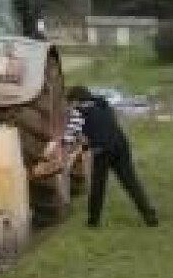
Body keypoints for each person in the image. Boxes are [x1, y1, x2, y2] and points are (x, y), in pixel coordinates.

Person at [59, 86, 159, 228]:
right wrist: (87, 143)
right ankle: (150, 217)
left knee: (98, 186)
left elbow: (68, 138)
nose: (70, 106)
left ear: (76, 101)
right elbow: (102, 127)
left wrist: (60, 146)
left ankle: (93, 221)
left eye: (71, 102)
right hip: (121, 146)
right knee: (131, 182)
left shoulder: (78, 113)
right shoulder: (103, 103)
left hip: (103, 150)